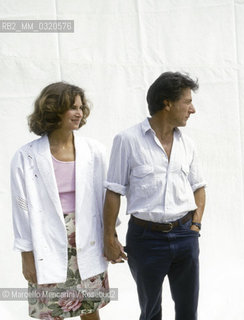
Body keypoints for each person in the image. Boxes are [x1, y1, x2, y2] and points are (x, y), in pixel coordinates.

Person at [103, 71, 206, 320]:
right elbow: (114, 191)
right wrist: (109, 237)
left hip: (185, 235)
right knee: (150, 311)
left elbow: (199, 187)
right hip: (145, 239)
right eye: (187, 101)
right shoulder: (127, 140)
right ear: (167, 103)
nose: (192, 109)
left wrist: (195, 224)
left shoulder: (187, 144)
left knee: (188, 311)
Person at [10, 82, 110, 320]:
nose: (79, 113)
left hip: (87, 236)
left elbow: (106, 198)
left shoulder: (94, 151)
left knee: (90, 308)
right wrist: (26, 256)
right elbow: (20, 208)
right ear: (53, 110)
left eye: (80, 107)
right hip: (46, 239)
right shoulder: (27, 156)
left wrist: (111, 237)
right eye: (71, 108)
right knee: (52, 312)